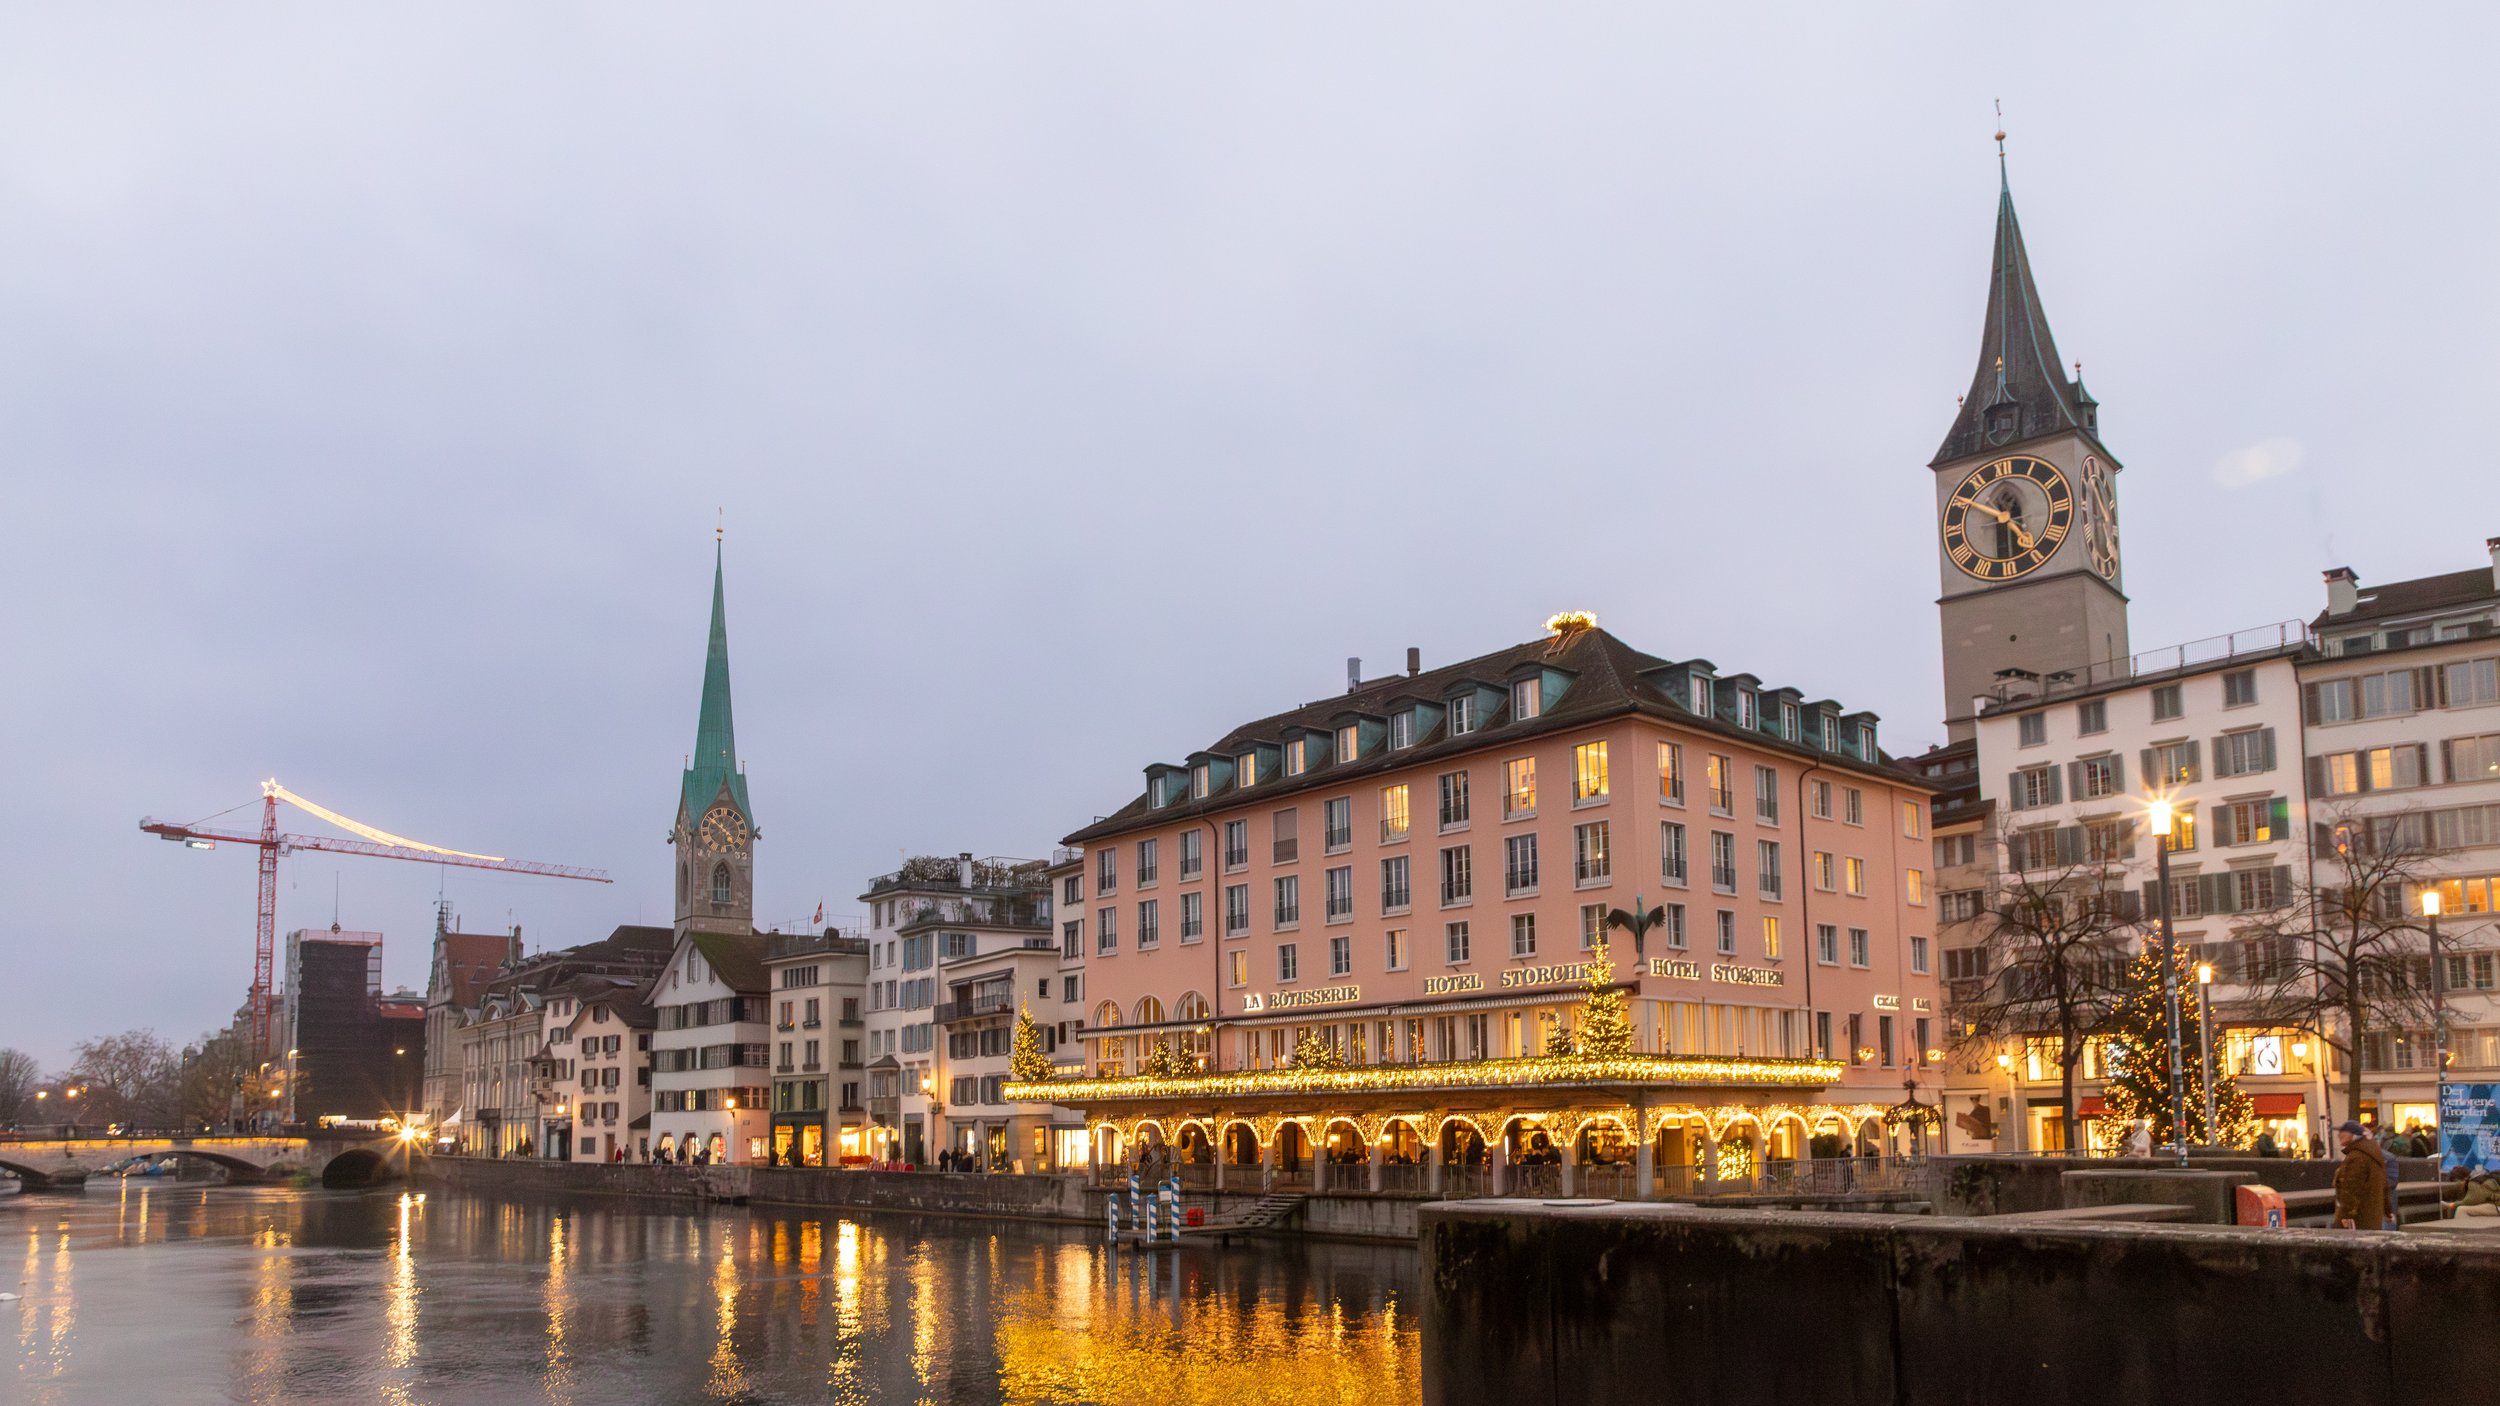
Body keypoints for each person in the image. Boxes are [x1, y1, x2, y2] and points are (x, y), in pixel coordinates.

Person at [2332, 1120, 2388, 1230]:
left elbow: (2350, 1189)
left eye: (2343, 1132)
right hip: (2371, 1218)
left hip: (2357, 1221)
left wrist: (2345, 1216)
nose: (2339, 1135)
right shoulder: (2372, 1154)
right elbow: (2384, 1185)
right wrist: (2388, 1210)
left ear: (2353, 1135)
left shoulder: (2356, 1157)